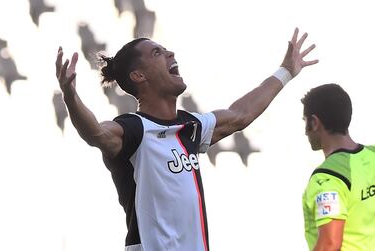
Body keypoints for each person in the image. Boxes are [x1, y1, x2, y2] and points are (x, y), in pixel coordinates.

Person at [56, 28, 317, 251]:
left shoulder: (189, 126)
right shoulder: (135, 129)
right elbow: (96, 133)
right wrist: (70, 96)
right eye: (157, 53)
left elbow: (240, 115)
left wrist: (286, 71)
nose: (170, 54)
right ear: (139, 76)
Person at [301, 84, 375, 251]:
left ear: (314, 122)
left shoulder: (327, 177)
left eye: (305, 121)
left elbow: (330, 244)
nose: (305, 132)